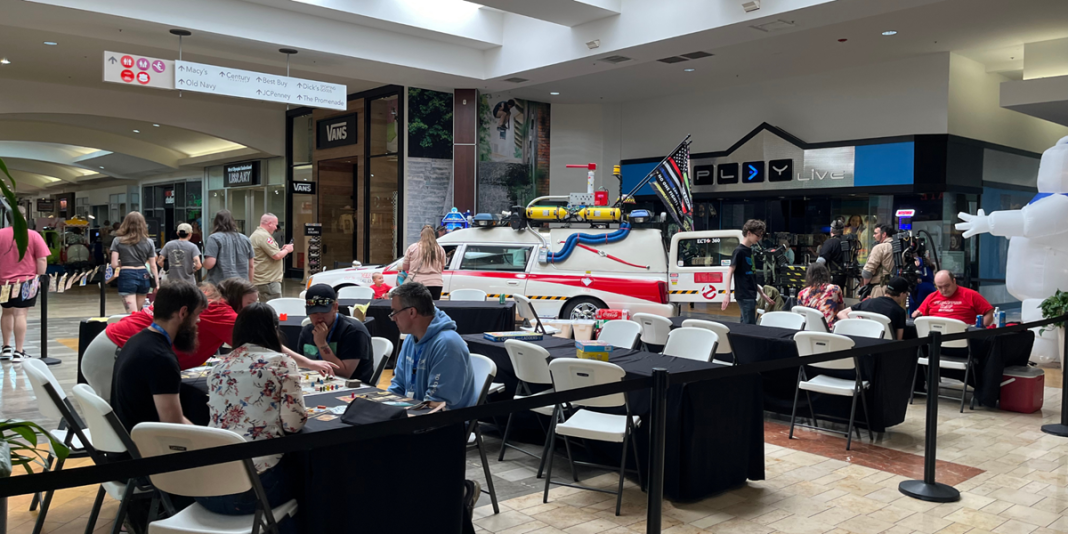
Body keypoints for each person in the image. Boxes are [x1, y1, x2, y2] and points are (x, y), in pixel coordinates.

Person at [84, 279, 334, 402]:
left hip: (113, 347)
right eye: (250, 303)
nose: (255, 308)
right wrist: (309, 364)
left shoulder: (213, 301)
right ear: (235, 300)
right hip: (113, 353)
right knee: (119, 421)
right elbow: (266, 344)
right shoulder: (221, 311)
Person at [199, 303, 304, 531]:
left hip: (204, 487)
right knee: (311, 475)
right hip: (252, 492)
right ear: (274, 329)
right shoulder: (282, 362)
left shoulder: (218, 367)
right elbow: (293, 425)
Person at [110, 282, 207, 430]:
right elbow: (174, 425)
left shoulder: (136, 340)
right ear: (183, 312)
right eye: (197, 314)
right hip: (149, 446)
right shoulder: (161, 358)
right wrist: (208, 437)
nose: (198, 321)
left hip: (129, 437)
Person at [388, 283, 477, 410]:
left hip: (446, 422)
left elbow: (437, 404)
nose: (393, 318)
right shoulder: (410, 339)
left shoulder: (447, 344)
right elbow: (398, 386)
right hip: (418, 414)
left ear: (412, 312)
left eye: (395, 312)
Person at [298, 284, 374, 382]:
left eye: (324, 312)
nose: (319, 318)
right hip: (316, 384)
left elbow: (343, 374)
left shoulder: (354, 331)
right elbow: (301, 367)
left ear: (335, 307)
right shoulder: (307, 331)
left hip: (351, 389)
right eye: (314, 313)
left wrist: (322, 344)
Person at [0, 226, 50, 362]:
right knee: (20, 314)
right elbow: (42, 259)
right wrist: (40, 277)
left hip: (3, 283)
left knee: (6, 312)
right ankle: (19, 351)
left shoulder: (0, 234)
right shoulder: (33, 235)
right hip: (26, 281)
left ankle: (6, 348)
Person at [721, 219, 773, 324]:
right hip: (744, 294)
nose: (759, 239)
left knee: (745, 324)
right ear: (749, 233)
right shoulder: (739, 251)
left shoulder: (750, 251)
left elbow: (750, 275)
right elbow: (730, 271)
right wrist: (727, 294)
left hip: (750, 293)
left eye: (761, 236)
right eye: (758, 235)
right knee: (749, 326)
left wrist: (762, 294)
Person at [110, 211, 160, 313]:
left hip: (126, 275)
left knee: (132, 314)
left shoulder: (117, 240)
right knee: (138, 313)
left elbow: (114, 264)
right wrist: (157, 283)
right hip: (144, 275)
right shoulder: (149, 242)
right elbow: (153, 265)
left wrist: (121, 262)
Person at [912, 270, 995, 327]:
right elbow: (919, 313)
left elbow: (989, 311)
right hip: (937, 337)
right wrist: (916, 314)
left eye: (947, 286)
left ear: (954, 281)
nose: (944, 290)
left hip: (963, 336)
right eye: (940, 287)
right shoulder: (931, 297)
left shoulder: (971, 295)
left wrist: (981, 329)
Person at [838, 277, 910, 340]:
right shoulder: (900, 311)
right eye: (906, 294)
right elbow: (898, 339)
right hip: (885, 350)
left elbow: (841, 313)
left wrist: (856, 325)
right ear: (901, 294)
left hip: (862, 345)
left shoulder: (868, 302)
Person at [251, 213, 294, 303]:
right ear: (269, 223)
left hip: (264, 279)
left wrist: (281, 249)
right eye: (275, 224)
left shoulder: (258, 234)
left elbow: (270, 253)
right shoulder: (264, 236)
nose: (276, 227)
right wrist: (287, 250)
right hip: (268, 281)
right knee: (274, 307)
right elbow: (277, 256)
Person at [204, 210, 254, 285]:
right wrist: (249, 283)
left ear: (216, 222)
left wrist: (202, 264)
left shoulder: (214, 238)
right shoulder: (245, 239)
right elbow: (251, 265)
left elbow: (210, 263)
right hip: (241, 284)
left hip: (220, 284)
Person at [402, 225, 447, 299]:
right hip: (436, 283)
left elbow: (405, 267)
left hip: (416, 283)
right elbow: (442, 268)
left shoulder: (413, 248)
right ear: (433, 235)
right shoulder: (440, 249)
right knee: (432, 308)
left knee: (417, 308)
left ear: (421, 234)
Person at [797, 263, 844, 328]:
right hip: (830, 330)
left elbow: (801, 315)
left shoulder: (801, 293)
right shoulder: (835, 289)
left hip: (809, 329)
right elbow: (841, 310)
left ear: (809, 276)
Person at [859, 224, 895, 298]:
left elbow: (867, 272)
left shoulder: (880, 247)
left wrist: (866, 286)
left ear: (884, 234)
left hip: (881, 289)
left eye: (876, 233)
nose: (873, 236)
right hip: (897, 290)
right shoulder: (899, 247)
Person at [819, 220, 847, 288]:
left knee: (831, 296)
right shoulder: (847, 241)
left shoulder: (830, 242)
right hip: (845, 275)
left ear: (831, 230)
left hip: (832, 277)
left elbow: (821, 261)